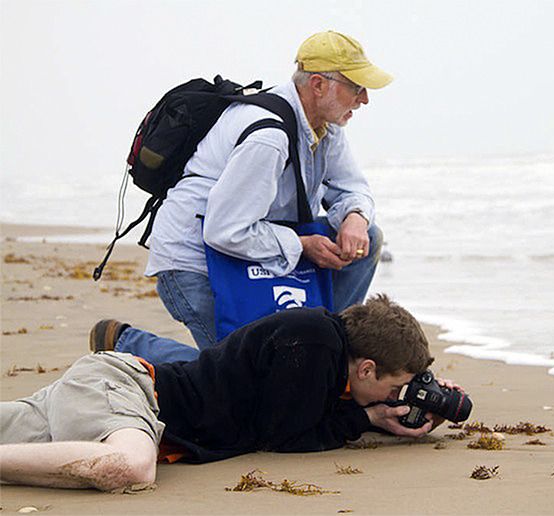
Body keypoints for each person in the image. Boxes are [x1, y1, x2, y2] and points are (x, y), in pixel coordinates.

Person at [0, 295, 453, 492]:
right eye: (392, 389)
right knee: (128, 469)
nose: (389, 398)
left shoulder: (328, 351)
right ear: (367, 367)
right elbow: (285, 438)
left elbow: (304, 420)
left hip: (110, 396)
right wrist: (368, 420)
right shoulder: (316, 343)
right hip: (129, 391)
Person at [141, 30, 393, 356]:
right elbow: (225, 230)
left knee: (368, 236)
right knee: (242, 380)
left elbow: (352, 186)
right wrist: (302, 245)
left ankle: (328, 353)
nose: (364, 99)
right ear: (318, 85)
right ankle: (131, 344)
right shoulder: (268, 137)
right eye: (357, 87)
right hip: (194, 263)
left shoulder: (326, 126)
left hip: (243, 254)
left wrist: (355, 217)